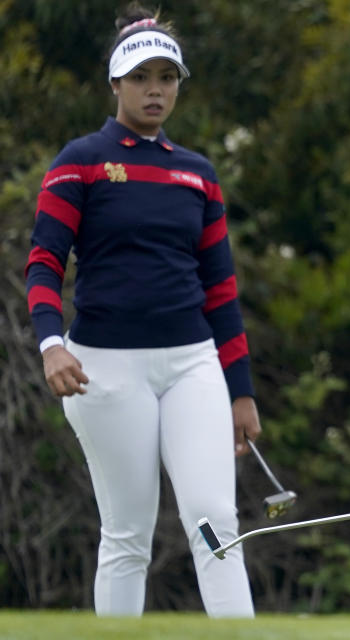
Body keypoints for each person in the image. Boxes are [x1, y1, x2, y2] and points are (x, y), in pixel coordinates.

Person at [24, 3, 258, 617]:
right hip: (103, 368)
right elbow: (45, 264)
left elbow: (221, 291)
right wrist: (51, 343)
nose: (155, 90)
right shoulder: (79, 162)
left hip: (192, 364)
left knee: (216, 524)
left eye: (167, 78)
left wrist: (241, 392)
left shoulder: (198, 175)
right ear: (116, 83)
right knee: (128, 534)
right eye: (142, 78)